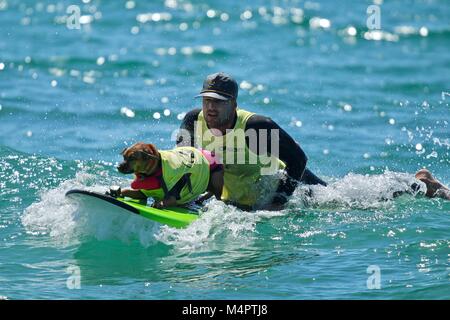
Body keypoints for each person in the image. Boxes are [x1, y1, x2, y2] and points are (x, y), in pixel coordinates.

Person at [176, 72, 326, 210]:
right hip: (242, 200)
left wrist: (277, 202)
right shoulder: (193, 121)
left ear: (234, 104)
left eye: (218, 102)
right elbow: (184, 162)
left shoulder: (255, 127)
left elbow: (298, 159)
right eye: (207, 100)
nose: (211, 107)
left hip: (304, 192)